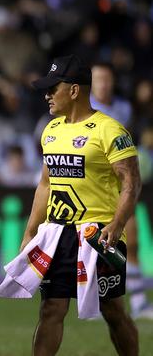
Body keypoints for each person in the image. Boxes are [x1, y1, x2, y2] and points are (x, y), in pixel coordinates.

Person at [23, 54, 140, 355]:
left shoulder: (110, 131)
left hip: (99, 234)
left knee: (113, 311)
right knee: (51, 308)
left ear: (74, 90)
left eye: (53, 88)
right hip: (58, 235)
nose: (47, 95)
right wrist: (31, 230)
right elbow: (46, 185)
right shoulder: (51, 131)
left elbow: (131, 183)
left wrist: (116, 225)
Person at [90, 61, 153, 319]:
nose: (104, 83)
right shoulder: (85, 109)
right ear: (91, 83)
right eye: (99, 79)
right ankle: (92, 302)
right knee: (93, 245)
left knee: (132, 240)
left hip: (120, 184)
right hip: (94, 186)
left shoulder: (123, 109)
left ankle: (138, 302)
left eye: (107, 78)